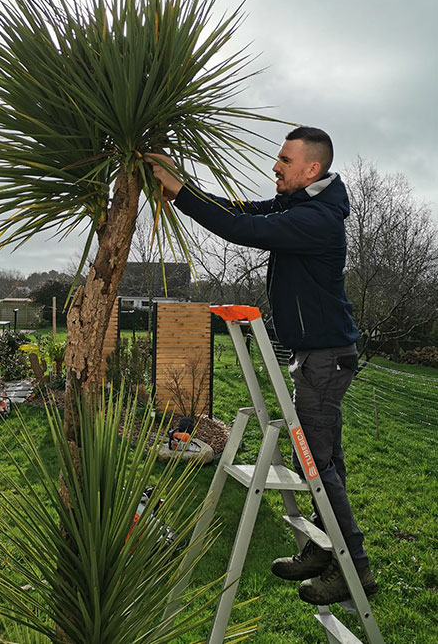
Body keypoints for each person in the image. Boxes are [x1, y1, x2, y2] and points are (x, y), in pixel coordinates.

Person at [145, 126, 377, 605]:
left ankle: (354, 570)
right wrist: (180, 184)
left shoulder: (318, 219)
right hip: (316, 356)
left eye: (284, 160)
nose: (275, 167)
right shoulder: (303, 204)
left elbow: (244, 231)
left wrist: (180, 191)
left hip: (325, 359)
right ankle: (321, 545)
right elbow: (243, 212)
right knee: (313, 459)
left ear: (312, 169)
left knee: (319, 464)